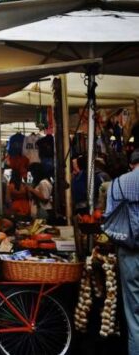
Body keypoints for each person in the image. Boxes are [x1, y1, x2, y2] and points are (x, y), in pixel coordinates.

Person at [105, 150, 139, 355]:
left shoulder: (117, 184)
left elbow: (108, 218)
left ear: (131, 164)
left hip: (129, 252)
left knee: (134, 316)